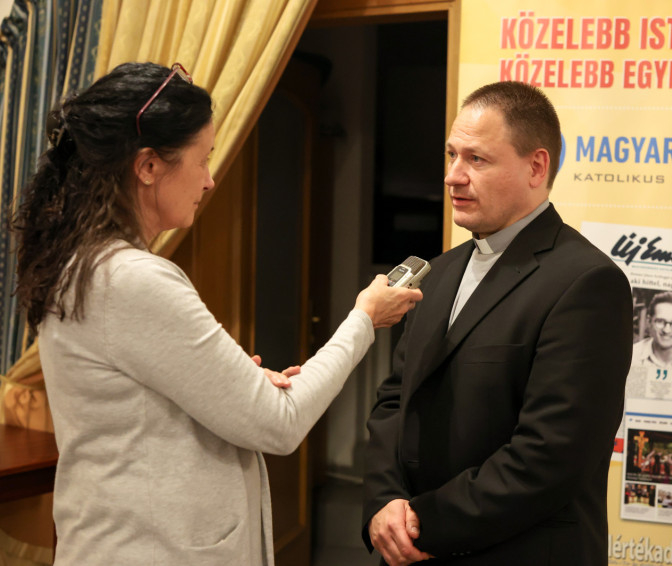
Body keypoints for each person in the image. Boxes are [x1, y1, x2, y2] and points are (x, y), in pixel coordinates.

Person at [11, 62, 422, 566]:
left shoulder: (81, 262)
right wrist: (364, 319)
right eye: (202, 159)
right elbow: (280, 424)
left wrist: (226, 382)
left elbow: (134, 394)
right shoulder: (133, 279)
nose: (209, 181)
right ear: (148, 166)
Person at [362, 81, 633, 566]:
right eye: (452, 155)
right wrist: (384, 502)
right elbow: (394, 400)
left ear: (536, 167)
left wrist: (420, 522)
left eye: (477, 160)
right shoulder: (437, 272)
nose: (453, 176)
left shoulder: (587, 282)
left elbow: (550, 456)